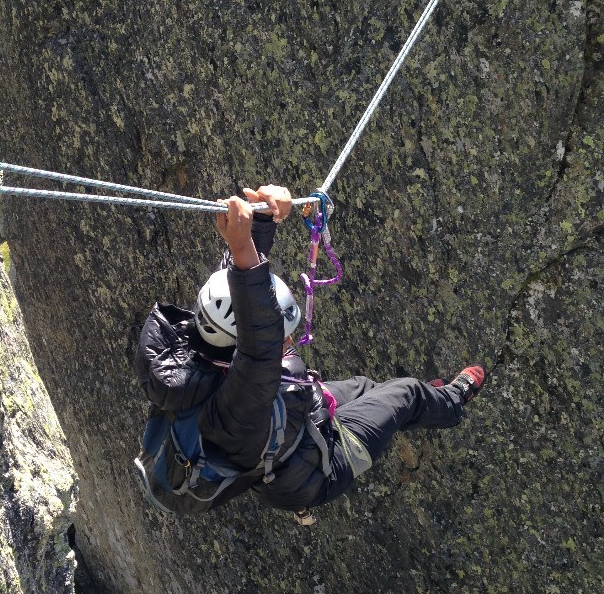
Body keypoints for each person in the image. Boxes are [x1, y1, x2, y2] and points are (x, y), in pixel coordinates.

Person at [135, 184, 485, 523]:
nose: (286, 341)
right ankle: (453, 400)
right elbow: (259, 343)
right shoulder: (233, 412)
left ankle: (422, 403)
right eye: (282, 336)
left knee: (366, 388)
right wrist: (242, 247)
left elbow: (237, 296)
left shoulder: (195, 348)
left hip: (295, 424)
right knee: (404, 392)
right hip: (319, 468)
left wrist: (260, 223)